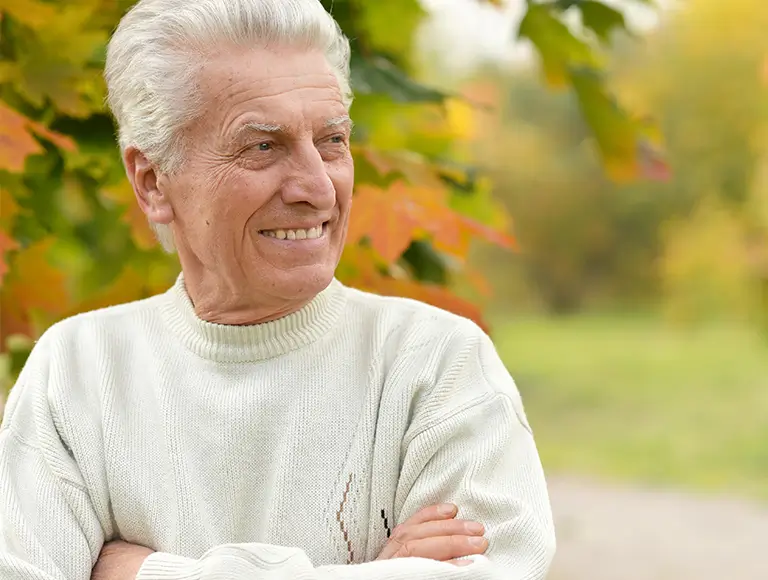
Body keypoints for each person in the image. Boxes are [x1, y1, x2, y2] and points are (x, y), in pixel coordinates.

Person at [0, 0, 556, 578]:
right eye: (263, 145)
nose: (317, 186)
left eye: (333, 140)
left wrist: (142, 573)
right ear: (152, 182)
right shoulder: (77, 372)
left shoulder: (437, 364)